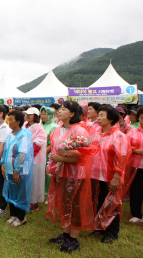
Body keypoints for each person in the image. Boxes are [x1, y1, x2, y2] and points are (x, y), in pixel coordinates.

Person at [46, 101, 97, 254]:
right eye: (59, 108)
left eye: (64, 109)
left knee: (75, 206)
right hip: (61, 173)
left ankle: (73, 239)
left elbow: (83, 157)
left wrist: (62, 159)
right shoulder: (58, 130)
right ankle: (66, 234)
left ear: (72, 114)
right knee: (63, 204)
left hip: (75, 175)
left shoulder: (79, 131)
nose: (59, 111)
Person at [90, 105, 131, 243]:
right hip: (96, 175)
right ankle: (99, 228)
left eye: (102, 115)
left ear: (111, 118)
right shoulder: (97, 134)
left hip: (111, 176)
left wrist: (116, 177)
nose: (99, 118)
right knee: (99, 201)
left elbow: (122, 158)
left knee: (112, 203)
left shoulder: (119, 136)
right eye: (99, 115)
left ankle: (112, 232)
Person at [1, 110, 34, 227]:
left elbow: (22, 154)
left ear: (18, 121)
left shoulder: (23, 136)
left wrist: (17, 171)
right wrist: (3, 164)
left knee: (20, 193)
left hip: (19, 171)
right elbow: (6, 151)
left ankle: (21, 217)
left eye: (11, 120)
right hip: (9, 168)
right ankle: (13, 215)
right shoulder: (11, 135)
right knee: (11, 192)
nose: (8, 122)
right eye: (8, 119)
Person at [123, 106, 143, 224]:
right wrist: (138, 151)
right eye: (141, 117)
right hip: (136, 166)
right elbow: (126, 146)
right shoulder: (132, 132)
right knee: (136, 189)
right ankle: (137, 215)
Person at [24, 107, 47, 211]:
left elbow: (38, 143)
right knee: (26, 179)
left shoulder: (39, 128)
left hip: (34, 158)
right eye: (27, 114)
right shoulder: (25, 125)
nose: (27, 116)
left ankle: (34, 201)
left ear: (35, 116)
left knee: (34, 180)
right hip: (24, 156)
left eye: (30, 114)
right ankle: (27, 199)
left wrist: (27, 153)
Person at [40, 106, 58, 202]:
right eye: (41, 113)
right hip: (39, 154)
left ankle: (49, 195)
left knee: (48, 175)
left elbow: (52, 144)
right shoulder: (40, 126)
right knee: (41, 174)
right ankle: (42, 193)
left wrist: (43, 152)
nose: (42, 116)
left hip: (48, 154)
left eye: (44, 113)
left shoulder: (54, 127)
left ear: (50, 115)